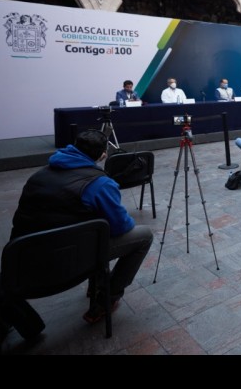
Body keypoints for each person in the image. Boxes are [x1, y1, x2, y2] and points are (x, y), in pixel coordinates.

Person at [9, 129, 153, 324]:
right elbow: (121, 227)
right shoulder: (100, 184)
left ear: (74, 147)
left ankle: (96, 285)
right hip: (68, 261)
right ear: (103, 155)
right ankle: (107, 298)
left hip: (23, 261)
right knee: (144, 236)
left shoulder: (38, 176)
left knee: (93, 228)